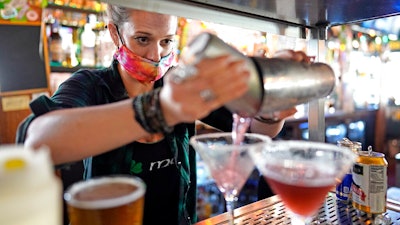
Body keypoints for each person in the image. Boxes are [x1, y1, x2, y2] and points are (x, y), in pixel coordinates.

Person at [16, 5, 309, 225]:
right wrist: (162, 108)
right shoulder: (91, 86)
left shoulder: (180, 83)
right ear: (114, 33)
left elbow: (258, 130)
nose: (156, 54)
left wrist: (270, 111)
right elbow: (38, 141)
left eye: (166, 41)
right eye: (143, 39)